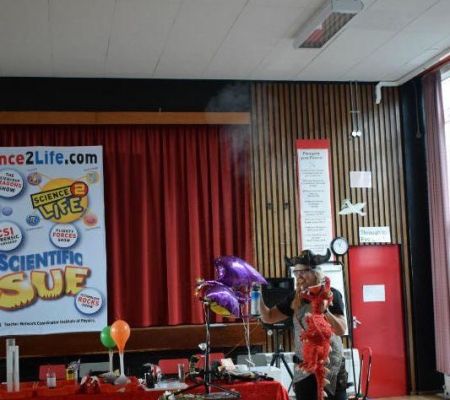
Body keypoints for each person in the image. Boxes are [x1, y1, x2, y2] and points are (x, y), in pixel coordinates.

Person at [260, 249, 348, 400]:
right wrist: (256, 295)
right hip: (304, 367)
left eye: (303, 271)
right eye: (296, 272)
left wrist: (325, 311)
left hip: (330, 365)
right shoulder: (295, 298)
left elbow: (341, 329)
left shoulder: (331, 294)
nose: (299, 276)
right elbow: (268, 317)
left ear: (316, 272)